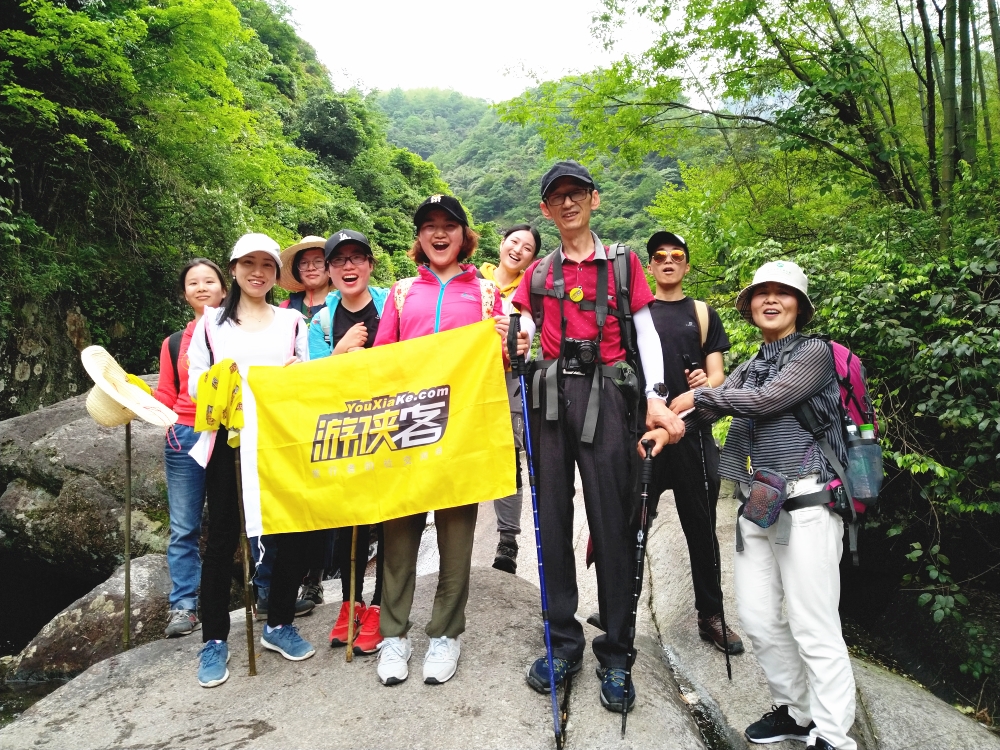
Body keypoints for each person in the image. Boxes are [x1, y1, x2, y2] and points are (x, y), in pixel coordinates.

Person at [645, 260, 856, 750]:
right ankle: (797, 712)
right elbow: (712, 410)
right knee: (760, 619)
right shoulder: (753, 363)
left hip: (808, 503)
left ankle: (833, 735)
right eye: (763, 292)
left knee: (813, 624)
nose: (771, 299)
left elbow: (763, 401)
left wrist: (700, 398)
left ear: (799, 306)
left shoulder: (815, 354)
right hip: (759, 504)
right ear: (750, 305)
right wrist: (664, 432)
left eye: (783, 292)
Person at [510, 160, 685, 713]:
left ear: (594, 199)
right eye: (557, 197)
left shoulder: (623, 263)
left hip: (609, 396)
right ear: (546, 210)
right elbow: (525, 328)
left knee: (613, 519)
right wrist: (518, 341)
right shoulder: (538, 273)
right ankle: (563, 642)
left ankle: (616, 652)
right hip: (551, 395)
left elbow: (647, 336)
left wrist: (654, 397)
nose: (568, 203)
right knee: (552, 518)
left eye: (577, 194)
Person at [372, 194, 523, 687]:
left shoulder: (487, 294)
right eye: (429, 226)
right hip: (405, 429)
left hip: (461, 431)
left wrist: (514, 342)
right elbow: (380, 362)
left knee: (456, 538)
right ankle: (394, 633)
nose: (439, 233)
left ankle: (445, 633)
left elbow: (504, 360)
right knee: (398, 536)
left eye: (449, 225)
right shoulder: (400, 293)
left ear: (464, 235)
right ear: (419, 237)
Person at [187, 233, 311, 688]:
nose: (257, 272)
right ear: (234, 269)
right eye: (248, 264)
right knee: (222, 538)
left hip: (279, 439)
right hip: (229, 439)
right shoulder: (210, 324)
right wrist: (222, 382)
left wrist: (298, 374)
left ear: (276, 273)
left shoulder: (292, 322)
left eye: (266, 265)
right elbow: (195, 383)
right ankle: (214, 638)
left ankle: (279, 623)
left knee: (291, 531)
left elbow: (305, 377)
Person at [644, 231, 744, 655]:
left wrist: (702, 385)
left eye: (676, 255)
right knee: (632, 524)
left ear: (685, 264)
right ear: (651, 265)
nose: (668, 261)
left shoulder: (702, 313)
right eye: (659, 256)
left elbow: (718, 375)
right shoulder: (638, 314)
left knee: (702, 529)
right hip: (648, 434)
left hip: (694, 434)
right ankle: (620, 609)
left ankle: (711, 615)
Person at [307, 228, 391, 655]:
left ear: (370, 264)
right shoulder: (321, 322)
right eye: (339, 260)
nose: (349, 266)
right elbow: (313, 379)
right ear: (329, 271)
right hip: (345, 434)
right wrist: (340, 349)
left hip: (391, 429)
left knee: (390, 518)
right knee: (348, 522)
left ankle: (380, 606)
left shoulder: (391, 304)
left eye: (357, 257)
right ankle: (350, 603)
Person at [153, 258, 227, 638]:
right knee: (184, 526)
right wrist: (134, 397)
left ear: (224, 289)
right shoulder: (174, 343)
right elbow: (167, 394)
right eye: (193, 283)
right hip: (184, 433)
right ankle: (183, 605)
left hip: (230, 431)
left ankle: (263, 590)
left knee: (241, 518)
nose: (201, 287)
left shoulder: (238, 333)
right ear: (185, 294)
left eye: (209, 281)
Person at [478, 224, 541, 573]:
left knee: (506, 454)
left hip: (507, 378)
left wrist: (521, 339)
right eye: (514, 242)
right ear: (502, 243)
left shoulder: (529, 291)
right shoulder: (473, 280)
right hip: (469, 378)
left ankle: (507, 539)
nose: (518, 250)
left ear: (532, 258)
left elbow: (528, 330)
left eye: (527, 248)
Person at [278, 235, 335, 319]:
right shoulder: (285, 308)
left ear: (330, 267)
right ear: (297, 270)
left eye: (318, 261)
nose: (311, 268)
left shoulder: (343, 306)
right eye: (304, 263)